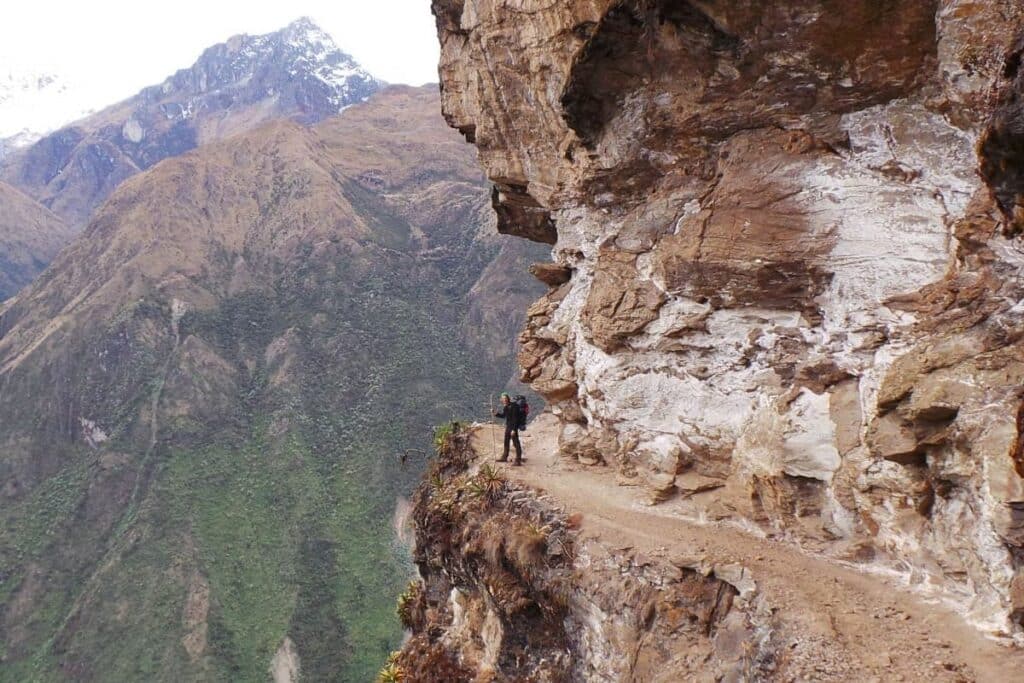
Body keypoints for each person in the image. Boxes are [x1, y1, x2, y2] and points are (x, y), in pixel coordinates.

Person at [494, 392, 523, 466]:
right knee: (506, 442)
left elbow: (516, 419)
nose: (504, 400)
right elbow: (504, 416)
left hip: (513, 427)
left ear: (508, 398)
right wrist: (496, 414)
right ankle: (504, 457)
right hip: (508, 426)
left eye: (505, 398)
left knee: (516, 443)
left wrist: (514, 429)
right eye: (503, 399)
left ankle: (518, 460)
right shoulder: (506, 407)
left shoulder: (514, 406)